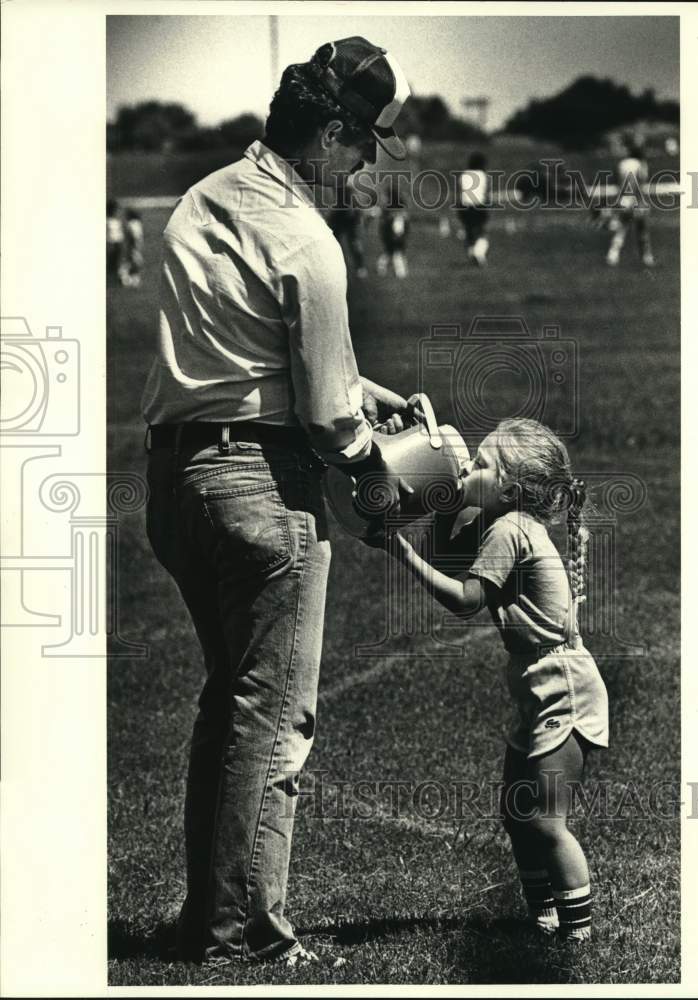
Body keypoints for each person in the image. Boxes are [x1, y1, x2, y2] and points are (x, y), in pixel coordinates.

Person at [141, 36, 412, 967]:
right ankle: (243, 939)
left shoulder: (204, 196)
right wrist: (383, 471)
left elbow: (244, 346)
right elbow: (329, 420)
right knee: (273, 717)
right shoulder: (307, 236)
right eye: (367, 142)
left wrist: (352, 384)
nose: (370, 162)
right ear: (331, 131)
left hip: (176, 479)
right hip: (262, 489)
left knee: (229, 705)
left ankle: (205, 921)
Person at [378, 417, 609, 941]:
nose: (468, 467)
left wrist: (400, 551)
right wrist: (441, 498)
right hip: (539, 681)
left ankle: (578, 936)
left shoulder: (511, 530)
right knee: (516, 811)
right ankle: (544, 918)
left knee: (546, 822)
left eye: (479, 463)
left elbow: (464, 599)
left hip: (562, 686)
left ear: (507, 489)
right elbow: (450, 557)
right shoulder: (503, 522)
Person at [606, 139, 655, 267]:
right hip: (636, 200)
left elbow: (617, 183)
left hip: (624, 200)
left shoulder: (622, 164)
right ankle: (647, 258)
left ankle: (613, 255)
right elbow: (640, 184)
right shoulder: (641, 165)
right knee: (642, 230)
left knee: (621, 229)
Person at [457, 151, 491, 266]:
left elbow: (460, 192)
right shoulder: (483, 176)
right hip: (479, 206)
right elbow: (486, 193)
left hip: (464, 207)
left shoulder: (464, 175)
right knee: (482, 232)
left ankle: (472, 254)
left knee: (469, 231)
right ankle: (478, 253)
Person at [326, 190, 368, 278]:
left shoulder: (345, 192)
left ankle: (359, 267)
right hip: (344, 219)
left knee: (352, 244)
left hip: (347, 220)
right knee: (347, 243)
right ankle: (359, 267)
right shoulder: (345, 192)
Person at [376, 195, 409, 278]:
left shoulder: (392, 216)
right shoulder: (398, 217)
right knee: (396, 254)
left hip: (392, 237)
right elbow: (398, 229)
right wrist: (398, 236)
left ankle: (381, 268)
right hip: (395, 238)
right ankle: (400, 272)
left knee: (388, 253)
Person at [123, 208, 145, 287]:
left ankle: (129, 280)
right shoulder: (138, 223)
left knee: (133, 261)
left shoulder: (131, 224)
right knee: (135, 262)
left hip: (133, 246)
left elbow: (134, 236)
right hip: (137, 245)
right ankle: (134, 280)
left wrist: (133, 245)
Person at [106, 199, 125, 284]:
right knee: (111, 260)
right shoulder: (107, 221)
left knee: (118, 260)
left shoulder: (117, 221)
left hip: (118, 243)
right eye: (116, 210)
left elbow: (120, 233)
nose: (117, 212)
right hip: (110, 243)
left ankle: (116, 277)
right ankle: (111, 277)